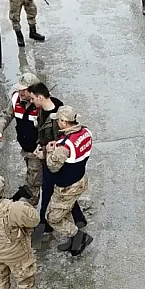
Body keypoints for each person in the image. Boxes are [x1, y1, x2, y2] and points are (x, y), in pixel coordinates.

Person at [27, 82, 87, 237]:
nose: (31, 101)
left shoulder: (62, 136)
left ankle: (45, 224)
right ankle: (79, 220)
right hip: (73, 173)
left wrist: (46, 154)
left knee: (49, 194)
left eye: (33, 98)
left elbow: (57, 159)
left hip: (58, 166)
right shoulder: (83, 131)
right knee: (66, 198)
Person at [43, 106, 94, 256]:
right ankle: (74, 243)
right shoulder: (86, 133)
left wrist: (49, 151)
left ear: (65, 122)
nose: (57, 123)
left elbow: (52, 166)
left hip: (67, 187)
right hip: (80, 180)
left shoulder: (64, 145)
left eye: (58, 120)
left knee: (52, 218)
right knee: (65, 210)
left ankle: (78, 236)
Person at [0, 72, 43, 206]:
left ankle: (30, 209)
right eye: (19, 89)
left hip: (37, 150)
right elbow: (6, 115)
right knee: (35, 177)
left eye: (23, 90)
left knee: (33, 181)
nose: (20, 92)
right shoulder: (16, 99)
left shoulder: (41, 104)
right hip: (26, 147)